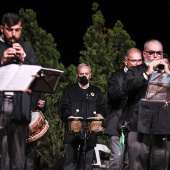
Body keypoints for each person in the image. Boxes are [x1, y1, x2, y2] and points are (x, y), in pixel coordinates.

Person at [0, 12, 45, 170]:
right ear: (2, 29)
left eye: (17, 30)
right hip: (1, 111)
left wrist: (24, 57)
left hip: (20, 112)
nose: (14, 34)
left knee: (18, 162)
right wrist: (2, 60)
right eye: (9, 30)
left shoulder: (26, 48)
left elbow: (40, 74)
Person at [122, 39, 170, 169]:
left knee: (160, 166)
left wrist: (168, 74)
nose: (155, 56)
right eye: (151, 52)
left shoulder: (166, 73)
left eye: (159, 53)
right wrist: (147, 73)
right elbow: (126, 88)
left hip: (161, 127)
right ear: (144, 54)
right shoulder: (135, 71)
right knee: (137, 166)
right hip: (138, 126)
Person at [59, 63, 107, 170]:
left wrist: (101, 114)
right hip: (72, 130)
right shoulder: (69, 89)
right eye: (81, 74)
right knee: (70, 162)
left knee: (86, 163)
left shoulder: (96, 91)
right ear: (77, 75)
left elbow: (103, 107)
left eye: (86, 73)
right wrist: (68, 115)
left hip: (90, 130)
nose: (84, 76)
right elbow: (63, 106)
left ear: (90, 75)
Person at [104, 47, 143, 170]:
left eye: (139, 61)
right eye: (134, 61)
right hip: (118, 124)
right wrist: (130, 87)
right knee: (116, 159)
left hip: (135, 125)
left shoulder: (144, 77)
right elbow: (113, 95)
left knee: (130, 161)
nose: (137, 64)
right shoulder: (116, 76)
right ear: (126, 61)